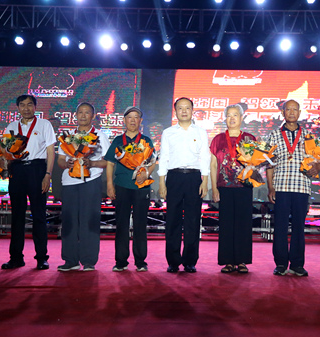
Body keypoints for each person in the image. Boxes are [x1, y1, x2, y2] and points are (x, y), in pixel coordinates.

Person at [0, 94, 56, 270]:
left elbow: (51, 151)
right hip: (17, 170)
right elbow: (4, 151)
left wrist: (47, 175)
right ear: (18, 108)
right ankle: (16, 258)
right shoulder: (12, 126)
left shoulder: (44, 124)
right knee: (17, 216)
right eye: (22, 105)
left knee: (39, 215)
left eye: (30, 104)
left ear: (35, 107)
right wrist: (3, 162)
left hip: (37, 169)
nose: (26, 108)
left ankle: (41, 258)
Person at [266, 99, 320, 276]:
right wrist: (270, 188)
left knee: (299, 227)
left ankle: (297, 264)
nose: (291, 112)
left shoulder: (309, 136)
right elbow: (269, 164)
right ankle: (281, 263)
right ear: (283, 112)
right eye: (288, 109)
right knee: (280, 227)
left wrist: (318, 167)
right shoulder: (274, 134)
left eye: (294, 109)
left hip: (301, 186)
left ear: (299, 113)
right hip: (280, 186)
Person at [158, 97, 210, 273]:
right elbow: (164, 157)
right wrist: (162, 182)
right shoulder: (168, 132)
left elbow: (205, 157)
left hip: (194, 178)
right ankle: (173, 261)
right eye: (180, 108)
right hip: (174, 177)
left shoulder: (201, 132)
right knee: (172, 220)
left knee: (192, 220)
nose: (184, 111)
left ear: (192, 110)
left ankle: (190, 261)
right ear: (175, 111)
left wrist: (205, 181)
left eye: (187, 108)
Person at [57, 103, 109, 272]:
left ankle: (88, 260)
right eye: (80, 112)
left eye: (87, 113)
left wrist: (92, 163)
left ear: (93, 116)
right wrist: (67, 164)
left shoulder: (100, 136)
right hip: (69, 183)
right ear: (75, 115)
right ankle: (70, 260)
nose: (83, 115)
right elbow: (60, 160)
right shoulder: (68, 136)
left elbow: (108, 162)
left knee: (90, 221)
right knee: (69, 222)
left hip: (91, 182)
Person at [104, 106, 156, 272]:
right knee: (122, 223)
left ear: (140, 121)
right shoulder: (118, 141)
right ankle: (121, 261)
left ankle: (140, 261)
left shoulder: (146, 140)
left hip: (141, 187)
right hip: (122, 186)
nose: (133, 120)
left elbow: (153, 161)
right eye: (130, 117)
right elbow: (110, 163)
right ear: (124, 120)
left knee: (140, 223)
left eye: (136, 117)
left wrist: (146, 174)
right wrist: (110, 185)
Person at [210, 104, 256, 273]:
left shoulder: (249, 138)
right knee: (226, 224)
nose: (232, 118)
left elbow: (256, 162)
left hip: (244, 186)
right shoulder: (218, 139)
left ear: (241, 118)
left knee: (244, 224)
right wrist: (214, 188)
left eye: (235, 115)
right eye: (229, 115)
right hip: (224, 187)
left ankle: (242, 261)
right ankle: (228, 261)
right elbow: (213, 164)